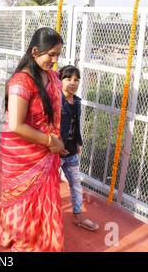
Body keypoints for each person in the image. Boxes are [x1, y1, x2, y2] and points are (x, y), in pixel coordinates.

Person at [0, 27, 67, 252]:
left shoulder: (52, 76)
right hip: (23, 153)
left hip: (46, 149)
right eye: (50, 54)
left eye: (58, 55)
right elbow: (15, 124)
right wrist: (50, 141)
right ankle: (22, 237)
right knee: (23, 201)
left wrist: (56, 141)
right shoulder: (21, 81)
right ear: (35, 51)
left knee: (45, 198)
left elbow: (54, 113)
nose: (54, 60)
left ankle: (43, 240)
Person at [58, 65, 99, 231]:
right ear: (60, 81)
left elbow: (76, 124)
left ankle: (78, 215)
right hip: (55, 152)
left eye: (76, 80)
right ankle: (48, 217)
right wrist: (57, 145)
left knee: (75, 183)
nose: (73, 83)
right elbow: (51, 125)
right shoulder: (56, 101)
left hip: (71, 151)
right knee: (50, 186)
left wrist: (78, 143)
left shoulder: (77, 102)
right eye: (68, 79)